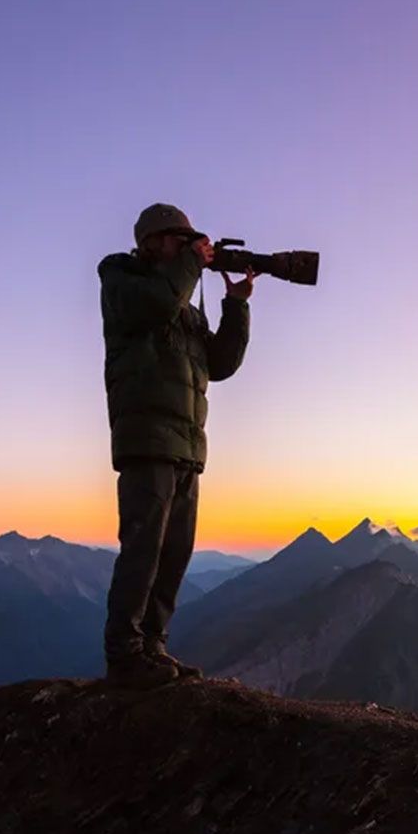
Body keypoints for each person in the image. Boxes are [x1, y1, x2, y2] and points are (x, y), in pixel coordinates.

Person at [95, 203, 258, 688]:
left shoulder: (183, 303)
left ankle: (153, 648)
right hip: (146, 437)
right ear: (151, 242)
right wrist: (192, 265)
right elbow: (156, 304)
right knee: (143, 548)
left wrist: (237, 305)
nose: (189, 248)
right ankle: (125, 654)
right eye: (179, 239)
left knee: (175, 552)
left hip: (187, 442)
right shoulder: (122, 281)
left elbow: (220, 364)